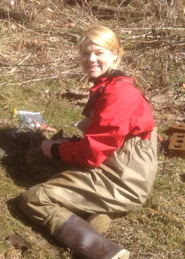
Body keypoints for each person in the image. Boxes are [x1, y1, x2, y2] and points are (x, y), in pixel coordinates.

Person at [19, 25, 158, 259]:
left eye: (99, 52)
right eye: (85, 53)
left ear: (116, 54)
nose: (90, 59)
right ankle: (99, 210)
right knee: (35, 156)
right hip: (116, 165)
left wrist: (55, 148)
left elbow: (91, 154)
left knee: (33, 199)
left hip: (122, 178)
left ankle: (103, 251)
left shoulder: (120, 93)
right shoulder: (108, 84)